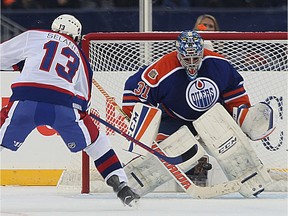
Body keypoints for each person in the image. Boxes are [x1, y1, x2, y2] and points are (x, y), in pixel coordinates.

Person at [0, 14, 140, 207]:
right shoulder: (80, 56)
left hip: (26, 99)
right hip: (62, 105)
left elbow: (2, 57)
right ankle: (121, 184)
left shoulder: (35, 35)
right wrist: (81, 111)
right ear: (77, 37)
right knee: (96, 143)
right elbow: (83, 100)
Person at [121, 30, 275, 195]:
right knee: (170, 150)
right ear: (178, 54)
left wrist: (243, 114)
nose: (192, 63)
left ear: (202, 52)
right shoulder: (162, 68)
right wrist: (136, 115)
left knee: (231, 145)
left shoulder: (219, 64)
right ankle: (130, 185)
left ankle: (252, 182)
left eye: (196, 58)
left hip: (212, 117)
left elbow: (234, 92)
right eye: (187, 59)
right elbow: (134, 91)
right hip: (174, 118)